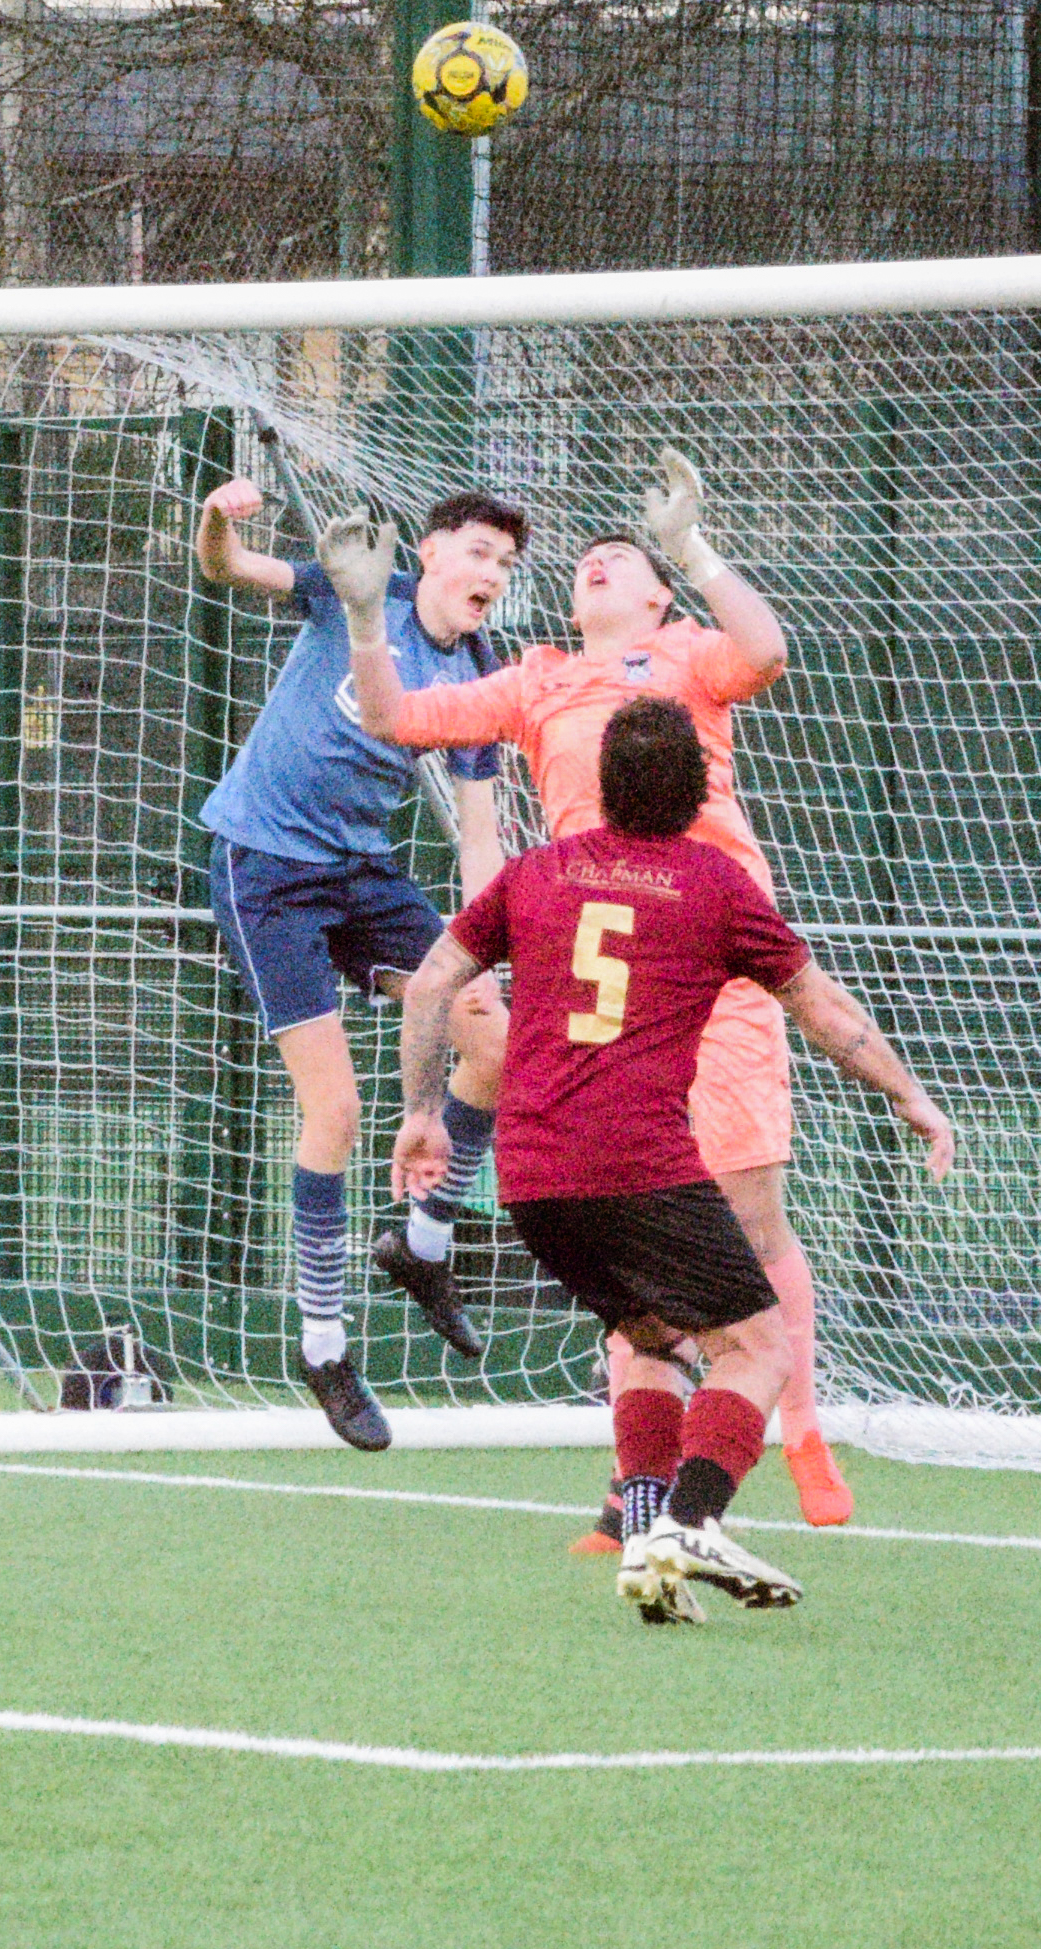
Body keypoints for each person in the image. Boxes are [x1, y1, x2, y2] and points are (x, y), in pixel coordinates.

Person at [348, 447, 858, 1531]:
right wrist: (359, 613)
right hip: (595, 980)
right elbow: (396, 718)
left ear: (658, 597)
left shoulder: (687, 655)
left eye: (622, 558)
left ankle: (800, 1430)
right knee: (623, 1227)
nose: (597, 563)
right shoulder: (534, 679)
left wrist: (688, 542)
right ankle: (636, 1492)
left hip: (711, 962)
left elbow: (766, 648)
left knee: (748, 1211)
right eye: (588, 556)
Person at [386, 694, 952, 1621]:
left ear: (602, 787)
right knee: (759, 1346)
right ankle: (691, 1518)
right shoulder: (717, 884)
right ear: (699, 790)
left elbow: (435, 979)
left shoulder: (536, 871)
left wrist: (421, 1111)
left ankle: (644, 1535)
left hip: (531, 1175)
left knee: (648, 1335)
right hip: (639, 1162)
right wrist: (911, 1096)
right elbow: (827, 1016)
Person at [195, 475, 518, 1450]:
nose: (491, 576)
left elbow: (476, 827)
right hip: (265, 872)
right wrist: (217, 518)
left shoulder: (476, 668)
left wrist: (484, 946)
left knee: (492, 1037)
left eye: (505, 565)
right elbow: (224, 566)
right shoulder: (347, 595)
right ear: (428, 553)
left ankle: (422, 1244)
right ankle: (324, 1346)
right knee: (332, 1110)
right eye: (476, 554)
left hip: (362, 872)